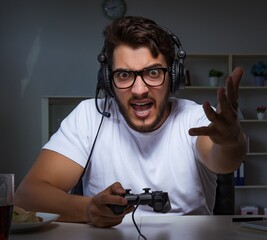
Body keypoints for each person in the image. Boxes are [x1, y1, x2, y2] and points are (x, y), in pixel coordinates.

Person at [14, 16, 246, 228]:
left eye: (153, 73)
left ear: (173, 77)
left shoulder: (195, 118)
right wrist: (88, 209)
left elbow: (224, 160)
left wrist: (230, 140)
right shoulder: (88, 116)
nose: (139, 89)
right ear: (108, 81)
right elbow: (28, 196)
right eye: (124, 75)